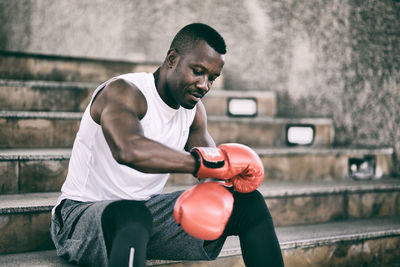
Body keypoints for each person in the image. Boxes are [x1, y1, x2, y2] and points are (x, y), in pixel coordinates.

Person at [50, 23, 284, 267]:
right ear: (172, 59)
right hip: (80, 217)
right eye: (198, 71)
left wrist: (225, 179)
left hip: (144, 219)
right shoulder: (124, 91)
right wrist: (200, 163)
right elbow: (128, 149)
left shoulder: (193, 112)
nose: (204, 85)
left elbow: (212, 170)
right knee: (131, 215)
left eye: (212, 78)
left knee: (248, 205)